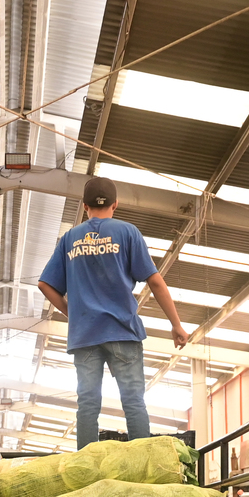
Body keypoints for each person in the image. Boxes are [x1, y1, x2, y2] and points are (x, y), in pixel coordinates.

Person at [37, 175, 190, 448]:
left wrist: (73, 313)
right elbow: (154, 280)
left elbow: (45, 284)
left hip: (85, 335)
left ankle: (85, 467)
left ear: (84, 206)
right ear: (115, 204)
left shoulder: (69, 239)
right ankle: (142, 463)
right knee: (132, 401)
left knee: (87, 405)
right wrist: (176, 324)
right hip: (123, 331)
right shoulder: (127, 232)